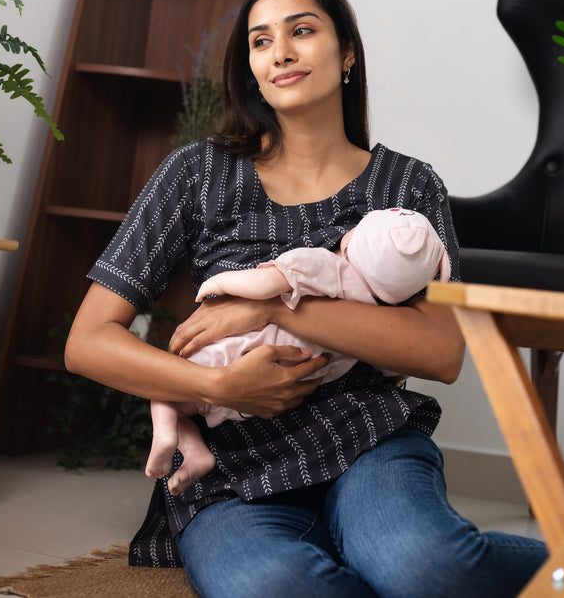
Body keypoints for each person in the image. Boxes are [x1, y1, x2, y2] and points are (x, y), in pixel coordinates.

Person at [65, 0, 547, 598]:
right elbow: (88, 341)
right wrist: (218, 383)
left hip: (369, 442)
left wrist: (278, 308)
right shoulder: (198, 172)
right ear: (252, 69)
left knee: (430, 569)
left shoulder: (407, 188)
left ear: (346, 53)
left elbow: (442, 353)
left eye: (302, 31)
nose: (281, 52)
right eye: (260, 41)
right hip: (232, 467)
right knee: (278, 587)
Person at [146, 207, 451, 494]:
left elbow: (265, 284)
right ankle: (197, 453)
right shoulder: (380, 315)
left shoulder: (329, 265)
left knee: (164, 383)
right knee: (185, 407)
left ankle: (165, 435)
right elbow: (393, 367)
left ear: (353, 241)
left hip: (241, 355)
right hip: (274, 387)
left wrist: (218, 285)